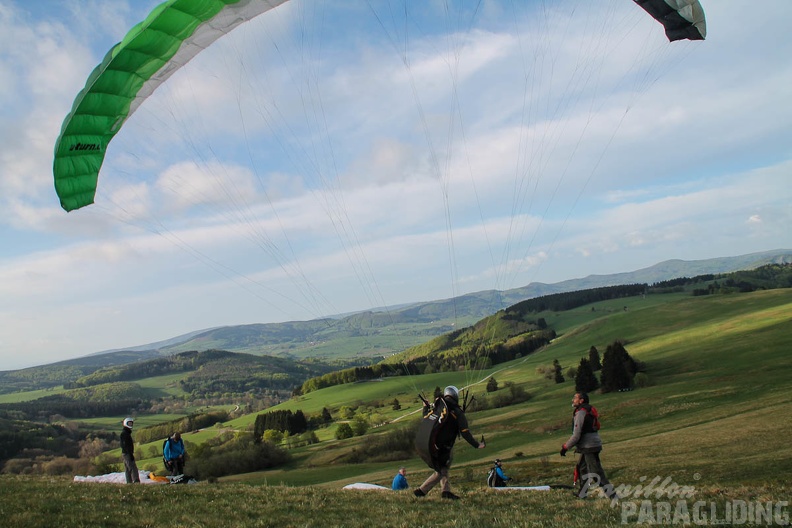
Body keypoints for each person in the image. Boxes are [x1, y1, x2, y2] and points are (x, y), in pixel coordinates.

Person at [414, 386, 485, 500]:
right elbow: (465, 432)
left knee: (444, 467)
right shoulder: (457, 412)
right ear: (455, 396)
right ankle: (421, 491)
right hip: (442, 447)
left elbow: (427, 418)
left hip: (428, 444)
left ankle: (445, 492)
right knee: (441, 470)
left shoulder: (439, 406)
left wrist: (424, 408)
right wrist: (477, 445)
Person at [560, 392, 616, 500]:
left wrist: (565, 447)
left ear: (581, 400)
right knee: (582, 468)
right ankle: (582, 494)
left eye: (575, 398)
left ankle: (613, 496)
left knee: (596, 472)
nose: (573, 400)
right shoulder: (588, 410)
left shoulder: (581, 413)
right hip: (592, 444)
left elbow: (576, 435)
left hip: (589, 446)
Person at [120, 417, 140, 484]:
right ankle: (136, 481)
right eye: (129, 423)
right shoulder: (125, 434)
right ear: (126, 423)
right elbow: (125, 445)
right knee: (133, 468)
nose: (131, 425)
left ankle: (129, 482)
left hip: (126, 453)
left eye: (131, 423)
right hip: (127, 453)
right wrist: (130, 453)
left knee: (127, 469)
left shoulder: (126, 433)